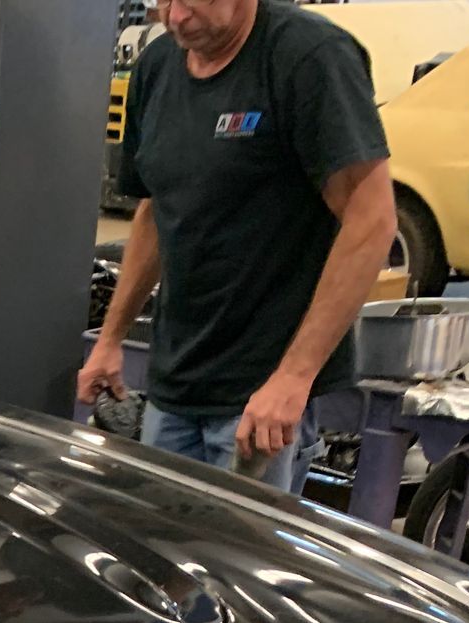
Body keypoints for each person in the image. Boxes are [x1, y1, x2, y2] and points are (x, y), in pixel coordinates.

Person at [78, 0, 396, 494]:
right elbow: (155, 212)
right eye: (162, 1)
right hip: (175, 384)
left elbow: (372, 220)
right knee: (163, 555)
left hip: (261, 401)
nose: (174, 17)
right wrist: (110, 339)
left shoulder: (308, 57)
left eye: (190, 1)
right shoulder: (157, 68)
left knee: (240, 565)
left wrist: (294, 376)